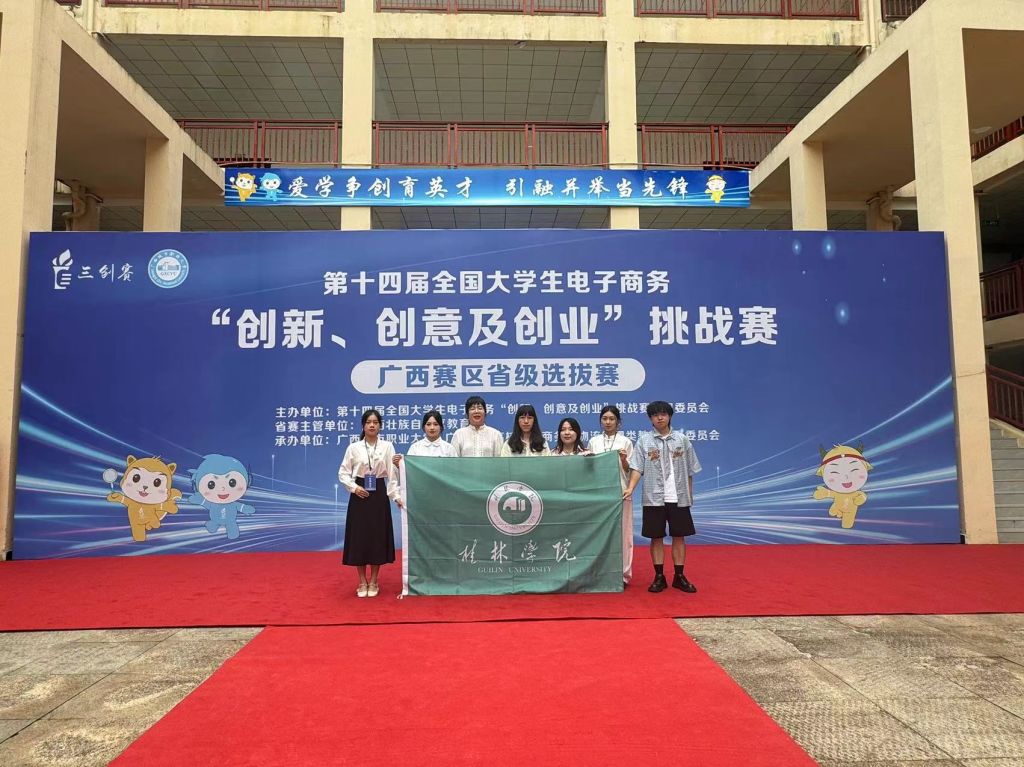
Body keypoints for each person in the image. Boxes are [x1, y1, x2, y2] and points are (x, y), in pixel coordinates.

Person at [624, 400, 701, 594]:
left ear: (670, 416)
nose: (660, 418)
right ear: (650, 418)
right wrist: (630, 488)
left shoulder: (682, 440)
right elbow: (636, 468)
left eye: (663, 414)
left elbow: (690, 471)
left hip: (678, 497)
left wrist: (689, 495)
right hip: (653, 497)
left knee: (679, 536)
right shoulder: (644, 441)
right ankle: (659, 577)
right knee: (656, 537)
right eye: (655, 415)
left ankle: (679, 576)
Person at [338, 409, 403, 598]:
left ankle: (374, 580)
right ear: (363, 426)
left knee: (377, 538)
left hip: (379, 494)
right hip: (359, 494)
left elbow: (392, 476)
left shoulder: (387, 446)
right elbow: (343, 473)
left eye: (375, 422)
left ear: (380, 426)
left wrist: (396, 496)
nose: (372, 425)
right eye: (368, 422)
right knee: (359, 538)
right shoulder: (354, 448)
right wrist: (354, 488)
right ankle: (361, 581)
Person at [589, 405, 634, 585]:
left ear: (618, 422)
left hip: (621, 492)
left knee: (623, 535)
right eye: (604, 418)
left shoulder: (626, 442)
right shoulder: (594, 441)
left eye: (612, 419)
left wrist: (623, 460)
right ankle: (600, 572)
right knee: (599, 534)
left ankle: (623, 575)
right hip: (599, 494)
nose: (608, 422)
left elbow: (631, 471)